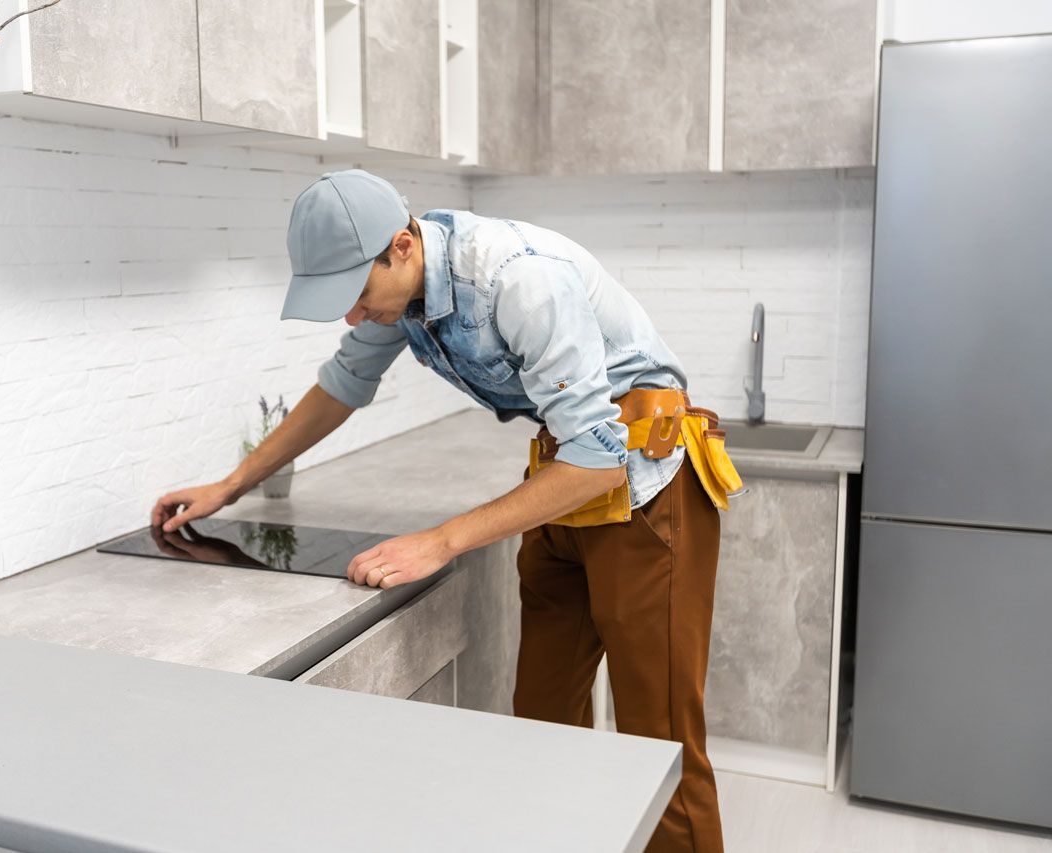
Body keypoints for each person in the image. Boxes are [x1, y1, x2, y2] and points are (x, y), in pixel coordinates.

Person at [152, 170, 741, 853]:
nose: (351, 315)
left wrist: (442, 539)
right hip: (564, 489)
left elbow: (601, 456)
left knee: (659, 745)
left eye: (354, 293)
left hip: (646, 493)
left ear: (401, 247)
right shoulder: (403, 298)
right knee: (543, 725)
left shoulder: (519, 279)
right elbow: (341, 387)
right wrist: (232, 483)